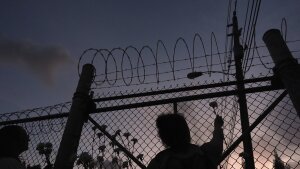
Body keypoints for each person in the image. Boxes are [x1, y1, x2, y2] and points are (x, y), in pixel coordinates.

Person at [147, 113, 224, 169]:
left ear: (163, 136)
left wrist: (217, 127)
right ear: (186, 131)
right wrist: (217, 127)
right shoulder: (203, 152)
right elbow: (216, 145)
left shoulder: (160, 160)